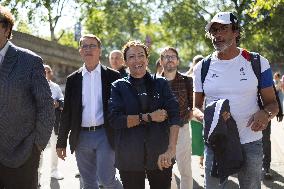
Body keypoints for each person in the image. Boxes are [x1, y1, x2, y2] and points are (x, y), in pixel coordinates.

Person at [193, 12, 279, 188]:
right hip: (216, 143)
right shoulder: (202, 67)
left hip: (251, 141)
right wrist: (211, 119)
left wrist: (265, 113)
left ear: (236, 32)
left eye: (223, 29)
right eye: (214, 30)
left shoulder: (257, 62)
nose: (217, 34)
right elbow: (195, 107)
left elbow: (273, 105)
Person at [108, 40, 181, 189]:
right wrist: (147, 117)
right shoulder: (118, 86)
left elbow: (175, 115)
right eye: (132, 57)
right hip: (129, 157)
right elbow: (115, 120)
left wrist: (171, 149)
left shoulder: (161, 83)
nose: (137, 60)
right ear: (126, 62)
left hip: (160, 154)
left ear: (147, 59)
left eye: (141, 55)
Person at [56, 34, 123, 189]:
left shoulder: (113, 76)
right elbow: (67, 113)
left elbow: (121, 108)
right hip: (81, 137)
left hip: (105, 135)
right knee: (88, 183)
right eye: (84, 46)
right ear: (80, 51)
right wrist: (61, 143)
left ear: (99, 50)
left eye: (92, 45)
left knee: (107, 180)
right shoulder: (73, 79)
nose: (88, 49)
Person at [0, 5, 54, 189]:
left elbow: (46, 106)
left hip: (22, 155)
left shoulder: (29, 61)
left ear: (7, 29)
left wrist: (36, 147)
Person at [159, 47, 193, 189]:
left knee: (185, 170)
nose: (170, 59)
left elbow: (193, 107)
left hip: (182, 130)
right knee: (166, 171)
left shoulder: (187, 81)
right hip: (161, 132)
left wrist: (186, 119)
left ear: (178, 61)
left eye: (173, 56)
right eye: (166, 57)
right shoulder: (154, 83)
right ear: (161, 61)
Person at [38, 65, 64, 184]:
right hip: (39, 122)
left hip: (54, 122)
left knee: (54, 147)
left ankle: (54, 170)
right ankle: (37, 173)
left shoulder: (56, 87)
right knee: (39, 149)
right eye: (43, 71)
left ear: (51, 73)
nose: (45, 73)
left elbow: (62, 101)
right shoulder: (36, 84)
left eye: (48, 71)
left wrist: (58, 103)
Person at [188, 55, 205, 169]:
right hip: (194, 114)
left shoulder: (208, 75)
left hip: (207, 112)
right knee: (197, 138)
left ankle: (203, 159)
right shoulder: (189, 78)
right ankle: (201, 157)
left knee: (207, 137)